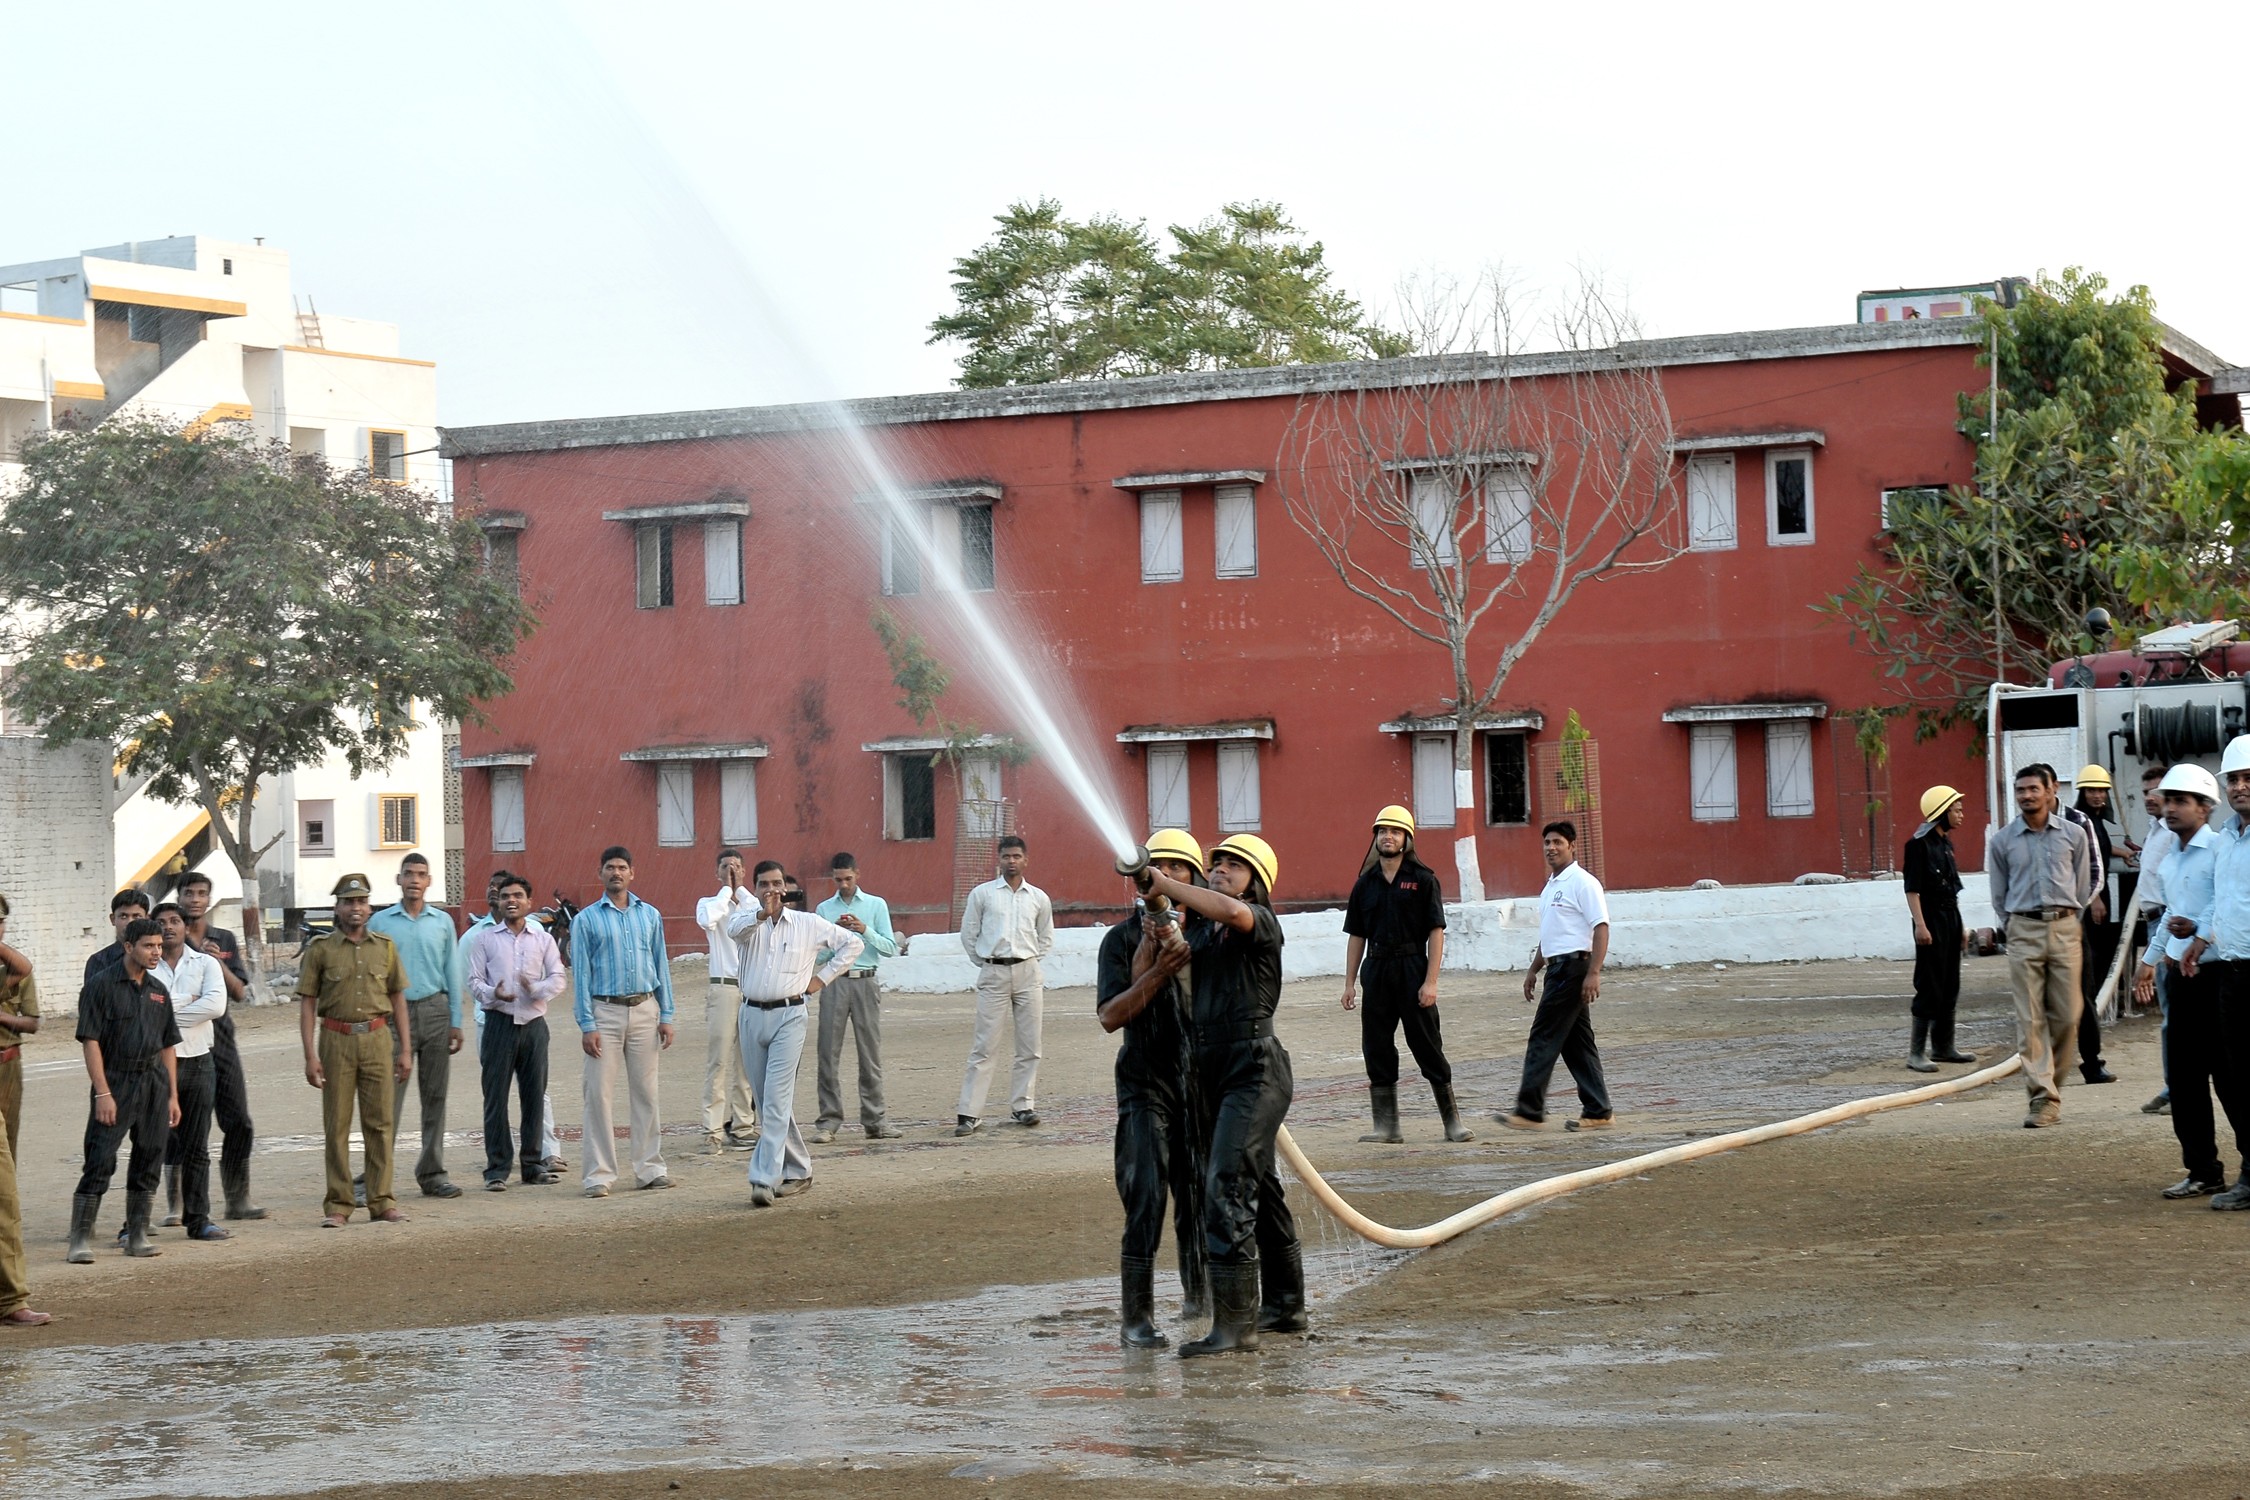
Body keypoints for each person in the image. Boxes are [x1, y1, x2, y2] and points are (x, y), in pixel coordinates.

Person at [1134, 833, 1300, 1357]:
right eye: (1218, 862)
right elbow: (1146, 980)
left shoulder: (1258, 923)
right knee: (1261, 1185)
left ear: (1257, 882)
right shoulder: (1201, 934)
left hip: (1254, 1067)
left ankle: (1236, 1326)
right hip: (1212, 1070)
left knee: (1225, 1185)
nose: (1221, 870)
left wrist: (1165, 885)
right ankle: (1285, 1304)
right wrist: (1152, 928)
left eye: (1235, 865)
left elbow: (1230, 910)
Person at [1095, 829, 1210, 1348]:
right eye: (1157, 867)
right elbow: (1110, 1016)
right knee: (1145, 1197)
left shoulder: (1211, 936)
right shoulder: (1119, 941)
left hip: (1201, 1084)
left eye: (1178, 868)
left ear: (1195, 880)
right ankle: (1135, 1318)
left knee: (1198, 1196)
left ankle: (1200, 1297)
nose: (1164, 877)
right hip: (1144, 1083)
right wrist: (1157, 968)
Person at [722, 861, 863, 1207]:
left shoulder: (808, 923)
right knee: (768, 1100)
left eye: (776, 884)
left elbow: (852, 945)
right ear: (754, 889)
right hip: (751, 1013)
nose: (771, 890)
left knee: (775, 1100)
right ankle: (799, 1169)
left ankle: (763, 1178)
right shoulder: (746, 920)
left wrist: (820, 980)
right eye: (764, 884)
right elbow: (734, 931)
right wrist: (759, 915)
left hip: (790, 1015)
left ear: (785, 887)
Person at [2129, 764, 2239, 1200]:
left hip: (2218, 974)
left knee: (2230, 1078)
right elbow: (2170, 915)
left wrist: (2196, 932)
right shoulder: (2171, 858)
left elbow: (2222, 906)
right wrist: (2150, 960)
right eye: (2166, 800)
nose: (2168, 808)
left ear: (2205, 807)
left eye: (2180, 801)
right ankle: (2202, 1170)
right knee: (2184, 1077)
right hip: (2182, 978)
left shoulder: (2221, 851)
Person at [1340, 805, 1471, 1144]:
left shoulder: (1423, 879)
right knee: (1377, 1046)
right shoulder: (1364, 884)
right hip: (1377, 970)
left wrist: (1431, 981)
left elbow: (1436, 931)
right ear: (1376, 838)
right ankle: (1387, 1127)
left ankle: (1452, 1123)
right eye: (1383, 831)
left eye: (1395, 832)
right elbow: (1357, 935)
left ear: (1407, 839)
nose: (1388, 837)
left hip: (1413, 968)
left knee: (1427, 1044)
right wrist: (1349, 983)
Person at [298, 873, 412, 1227]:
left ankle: (381, 1200)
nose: (356, 908)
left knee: (380, 1123)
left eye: (361, 901)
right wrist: (310, 1055)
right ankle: (339, 1203)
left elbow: (397, 998)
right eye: (348, 902)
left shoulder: (385, 947)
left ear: (370, 906)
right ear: (337, 908)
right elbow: (307, 1005)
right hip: (335, 1040)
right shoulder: (321, 950)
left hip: (378, 1038)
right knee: (337, 1125)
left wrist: (405, 1049)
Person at [1987, 763, 2096, 1129]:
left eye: (2034, 789)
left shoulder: (2074, 834)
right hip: (2023, 930)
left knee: (2068, 1016)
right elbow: (1999, 895)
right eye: (2021, 790)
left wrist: (2067, 918)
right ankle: (2042, 1098)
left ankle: (2052, 1086)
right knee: (2030, 1018)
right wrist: (2015, 926)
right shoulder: (2002, 841)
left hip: (2066, 928)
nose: (2027, 796)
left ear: (2052, 792)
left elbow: (2082, 885)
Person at [67, 917, 180, 1262]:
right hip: (115, 1082)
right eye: (148, 945)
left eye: (159, 946)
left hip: (153, 1084)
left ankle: (138, 1235)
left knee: (149, 1158)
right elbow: (91, 1041)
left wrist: (173, 1095)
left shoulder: (159, 990)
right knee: (100, 1159)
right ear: (128, 947)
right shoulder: (100, 986)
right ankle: (80, 1240)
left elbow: (168, 1046)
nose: (156, 952)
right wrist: (102, 1092)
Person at [571, 846, 676, 1197]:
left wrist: (667, 1015)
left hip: (646, 1010)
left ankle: (649, 1168)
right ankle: (599, 1175)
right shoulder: (585, 920)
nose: (616, 873)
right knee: (598, 1096)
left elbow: (661, 965)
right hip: (605, 1013)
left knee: (646, 1093)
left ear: (633, 873)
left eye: (622, 867)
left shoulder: (650, 915)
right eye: (609, 868)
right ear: (600, 874)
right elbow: (582, 975)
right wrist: (587, 1024)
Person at [1504, 821, 1615, 1132]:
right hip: (1556, 968)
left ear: (1572, 846)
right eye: (1547, 843)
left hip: (1574, 969)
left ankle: (1529, 1110)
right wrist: (1534, 968)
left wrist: (1594, 972)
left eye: (1558, 842)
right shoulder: (1550, 887)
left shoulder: (1583, 883)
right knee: (1576, 1044)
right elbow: (1552, 934)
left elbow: (1601, 928)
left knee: (1543, 1036)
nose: (1551, 848)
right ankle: (1598, 1109)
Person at [369, 854, 469, 1198]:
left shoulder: (441, 922)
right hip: (392, 1018)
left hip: (435, 1011)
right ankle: (376, 1176)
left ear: (429, 882)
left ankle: (432, 1173)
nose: (414, 879)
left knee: (435, 1096)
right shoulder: (379, 923)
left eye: (421, 874)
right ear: (399, 880)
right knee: (386, 1100)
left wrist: (455, 1021)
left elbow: (452, 972)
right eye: (409, 874)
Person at [467, 870, 567, 1190]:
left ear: (529, 902)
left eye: (518, 896)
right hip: (498, 1025)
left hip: (534, 1025)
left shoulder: (543, 939)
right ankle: (497, 1169)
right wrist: (493, 994)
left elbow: (558, 977)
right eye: (506, 896)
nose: (512, 901)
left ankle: (533, 1165)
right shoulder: (484, 939)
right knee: (495, 1098)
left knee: (534, 1096)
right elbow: (473, 981)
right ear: (498, 901)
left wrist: (536, 989)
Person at [175, 872, 264, 1221]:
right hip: (182, 1039)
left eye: (201, 893)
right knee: (179, 1124)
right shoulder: (168, 935)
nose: (195, 899)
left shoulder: (223, 938)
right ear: (179, 897)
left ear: (209, 899)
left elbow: (239, 992)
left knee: (239, 1120)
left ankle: (237, 1199)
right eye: (189, 893)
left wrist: (215, 962)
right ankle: (177, 1205)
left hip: (221, 1037)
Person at [955, 835, 1054, 1136]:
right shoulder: (982, 894)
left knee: (1030, 1045)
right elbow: (969, 935)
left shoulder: (1038, 897)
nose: (1011, 861)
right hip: (993, 971)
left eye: (1016, 856)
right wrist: (987, 962)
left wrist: (1028, 961)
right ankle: (969, 1113)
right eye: (1006, 856)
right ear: (998, 860)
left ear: (1026, 860)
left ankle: (1023, 1106)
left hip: (1027, 971)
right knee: (985, 1045)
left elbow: (1045, 938)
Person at [2190, 734, 2250, 1210]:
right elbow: (2221, 899)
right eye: (2234, 779)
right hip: (2232, 973)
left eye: (2249, 778)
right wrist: (2200, 939)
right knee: (2235, 1077)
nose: (2241, 787)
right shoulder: (2227, 838)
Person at [149, 903, 230, 1242]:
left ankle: (199, 1220)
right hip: (155, 1067)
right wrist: (188, 1006)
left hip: (198, 1063)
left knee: (197, 1146)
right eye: (162, 922)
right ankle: (135, 1223)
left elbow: (215, 1005)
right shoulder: (146, 967)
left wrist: (165, 1016)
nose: (169, 927)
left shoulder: (206, 963)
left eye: (175, 921)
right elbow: (140, 1011)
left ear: (186, 926)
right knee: (150, 1144)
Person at [812, 851, 901, 1143]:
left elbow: (889, 947)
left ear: (857, 875)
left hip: (865, 981)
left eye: (848, 878)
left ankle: (875, 1120)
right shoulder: (824, 909)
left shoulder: (876, 905)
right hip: (834, 982)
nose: (844, 884)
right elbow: (819, 955)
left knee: (870, 1053)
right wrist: (836, 936)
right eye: (838, 880)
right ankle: (828, 1120)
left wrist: (864, 930)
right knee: (827, 1053)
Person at [1903, 786, 1977, 1072]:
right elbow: (1912, 890)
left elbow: (1951, 889)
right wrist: (1920, 925)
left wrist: (1959, 926)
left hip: (1949, 917)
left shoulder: (1946, 844)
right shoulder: (1918, 845)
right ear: (1941, 811)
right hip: (1930, 920)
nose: (1961, 814)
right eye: (1956, 809)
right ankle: (1916, 1053)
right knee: (1929, 984)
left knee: (1949, 983)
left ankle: (1944, 1047)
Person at [0, 894, 48, 1324]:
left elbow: (23, 970)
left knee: (4, 1183)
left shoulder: (7, 972)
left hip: (7, 1068)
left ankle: (11, 1300)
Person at [695, 850, 759, 1153]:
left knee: (746, 1062)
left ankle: (744, 1124)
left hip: (751, 987)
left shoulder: (751, 904)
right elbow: (709, 920)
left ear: (745, 871)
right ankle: (713, 1128)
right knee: (718, 1060)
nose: (731, 871)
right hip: (723, 988)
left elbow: (759, 916)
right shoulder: (709, 904)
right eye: (725, 867)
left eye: (736, 867)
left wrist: (740, 891)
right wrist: (726, 890)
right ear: (716, 872)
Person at [2067, 764, 2119, 1084]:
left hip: (2094, 902)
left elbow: (2101, 852)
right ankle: (2087, 1060)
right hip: (2084, 909)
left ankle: (2089, 1057)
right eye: (2092, 790)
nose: (2097, 795)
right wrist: (2095, 898)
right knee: (2085, 982)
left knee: (2094, 973)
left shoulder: (2094, 822)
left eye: (2101, 790)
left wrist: (2126, 852)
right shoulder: (2074, 823)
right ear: (2081, 793)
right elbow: (2085, 864)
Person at [2134, 765, 2180, 1116]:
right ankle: (2176, 1084)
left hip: (2167, 924)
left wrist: (2156, 951)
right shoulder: (2155, 831)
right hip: (2153, 921)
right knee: (2171, 1013)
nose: (2151, 795)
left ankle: (2175, 1087)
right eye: (2147, 789)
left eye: (2159, 790)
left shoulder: (2175, 835)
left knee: (2174, 1015)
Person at [0, 893, 40, 1162]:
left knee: (6, 1141)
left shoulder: (9, 968)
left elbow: (32, 1022)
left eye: (0, 921)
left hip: (6, 1065)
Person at [83, 887, 151, 982]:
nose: (130, 922)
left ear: (147, 919)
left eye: (136, 916)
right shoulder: (99, 961)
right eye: (123, 916)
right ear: (113, 919)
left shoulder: (157, 958)